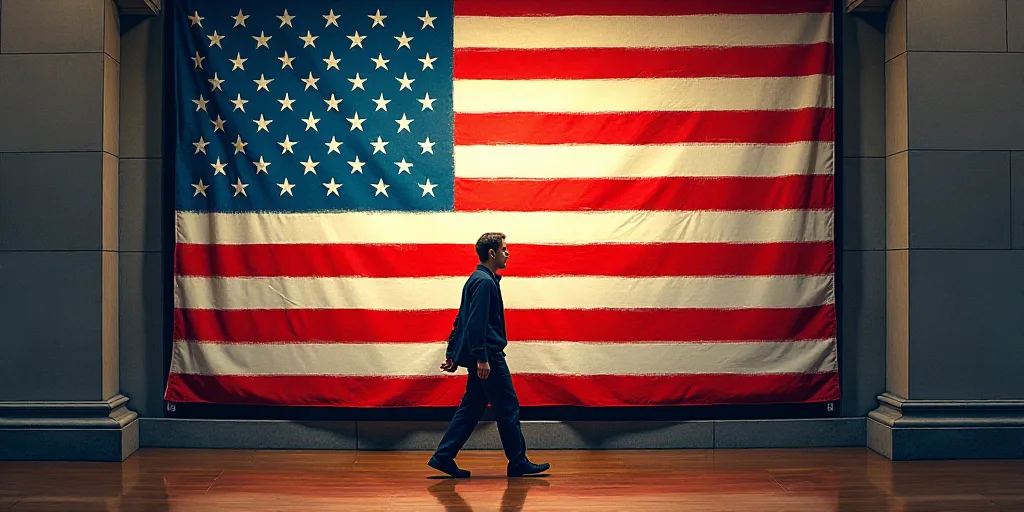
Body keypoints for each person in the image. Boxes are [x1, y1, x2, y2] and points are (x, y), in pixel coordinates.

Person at [427, 232, 550, 478]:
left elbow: (460, 320)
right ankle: (517, 462)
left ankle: (443, 456)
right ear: (492, 253)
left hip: (483, 356)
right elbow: (474, 323)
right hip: (490, 357)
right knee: (508, 408)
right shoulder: (484, 282)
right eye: (504, 249)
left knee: (472, 407)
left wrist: (453, 353)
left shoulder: (479, 279)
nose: (508, 253)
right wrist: (481, 357)